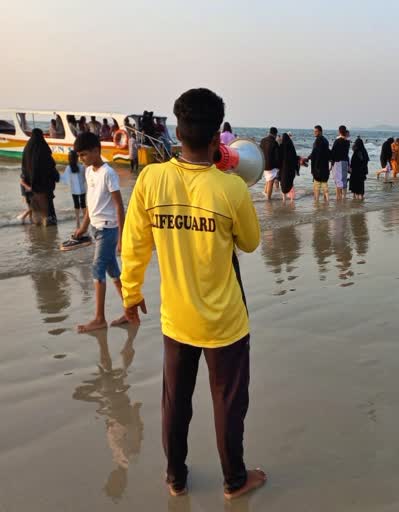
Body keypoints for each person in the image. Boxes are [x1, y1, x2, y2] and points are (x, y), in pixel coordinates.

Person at [120, 88, 264, 500]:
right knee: (228, 405)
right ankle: (234, 480)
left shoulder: (151, 178)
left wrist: (131, 292)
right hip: (225, 322)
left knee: (175, 403)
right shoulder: (230, 188)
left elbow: (134, 242)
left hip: (177, 318)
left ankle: (175, 477)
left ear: (178, 130)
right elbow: (250, 242)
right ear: (218, 135)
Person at [70, 132, 127, 331]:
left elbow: (119, 206)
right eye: (79, 155)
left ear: (96, 150)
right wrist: (83, 227)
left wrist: (122, 237)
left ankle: (99, 318)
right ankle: (130, 312)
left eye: (84, 154)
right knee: (112, 270)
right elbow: (90, 203)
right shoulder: (89, 172)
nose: (81, 159)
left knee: (97, 268)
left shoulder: (108, 173)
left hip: (108, 229)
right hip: (96, 228)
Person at [21, 128, 59, 226]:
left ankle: (37, 227)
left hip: (31, 187)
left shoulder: (27, 149)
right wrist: (55, 177)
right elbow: (51, 166)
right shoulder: (44, 148)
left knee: (35, 210)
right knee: (48, 209)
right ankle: (49, 223)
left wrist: (25, 189)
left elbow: (24, 169)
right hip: (44, 186)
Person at [62, 149, 87, 226]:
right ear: (77, 158)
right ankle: (85, 219)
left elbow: (65, 179)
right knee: (83, 204)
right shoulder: (81, 167)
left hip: (74, 190)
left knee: (76, 205)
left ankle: (77, 221)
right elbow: (85, 177)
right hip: (82, 189)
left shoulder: (68, 168)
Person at [306, 125, 331, 202]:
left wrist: (307, 158)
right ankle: (327, 201)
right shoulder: (326, 141)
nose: (314, 133)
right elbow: (328, 153)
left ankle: (316, 202)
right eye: (314, 131)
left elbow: (314, 153)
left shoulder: (317, 141)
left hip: (317, 167)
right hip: (324, 166)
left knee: (316, 187)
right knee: (324, 184)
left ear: (320, 132)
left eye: (316, 131)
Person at [260, 127, 281, 200]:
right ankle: (268, 198)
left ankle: (265, 194)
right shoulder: (274, 143)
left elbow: (260, 151)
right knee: (271, 182)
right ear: (275, 134)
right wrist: (279, 166)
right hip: (271, 165)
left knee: (267, 180)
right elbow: (277, 156)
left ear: (269, 132)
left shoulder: (263, 140)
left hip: (263, 164)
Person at [330, 125, 350, 200]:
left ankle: (338, 197)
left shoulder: (337, 141)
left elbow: (333, 153)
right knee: (343, 179)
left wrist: (331, 164)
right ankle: (344, 196)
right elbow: (346, 153)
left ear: (339, 131)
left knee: (338, 180)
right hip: (345, 161)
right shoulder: (347, 142)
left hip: (338, 162)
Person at [279, 131, 299, 202]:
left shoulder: (281, 146)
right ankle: (291, 199)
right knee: (291, 183)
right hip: (290, 169)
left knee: (282, 183)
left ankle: (284, 199)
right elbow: (295, 158)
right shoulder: (291, 146)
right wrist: (297, 169)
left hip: (283, 169)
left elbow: (279, 158)